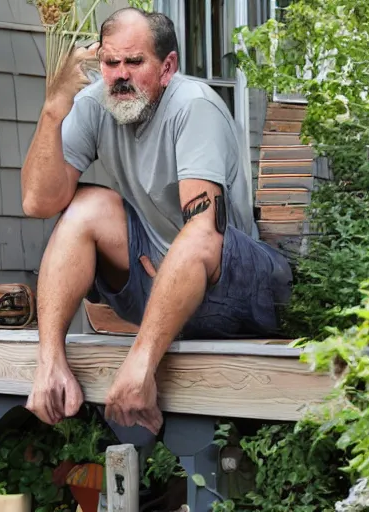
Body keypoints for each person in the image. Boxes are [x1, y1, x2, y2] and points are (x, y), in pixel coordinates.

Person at [22, 7, 292, 435]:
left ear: (167, 67)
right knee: (84, 206)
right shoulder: (95, 104)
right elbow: (38, 202)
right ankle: (49, 363)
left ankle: (140, 366)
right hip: (157, 284)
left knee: (200, 228)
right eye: (111, 63)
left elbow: (205, 237)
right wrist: (55, 107)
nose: (120, 75)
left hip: (236, 287)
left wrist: (139, 363)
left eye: (135, 62)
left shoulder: (193, 106)